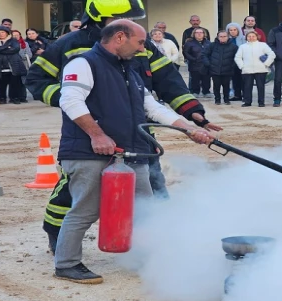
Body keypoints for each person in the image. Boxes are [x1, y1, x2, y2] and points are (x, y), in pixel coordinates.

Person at [25, 0, 222, 255]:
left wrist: (191, 114)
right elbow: (38, 80)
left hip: (137, 130)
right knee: (76, 194)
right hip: (90, 134)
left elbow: (164, 82)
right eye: (125, 18)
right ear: (106, 22)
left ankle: (156, 244)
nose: (139, 33)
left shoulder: (139, 44)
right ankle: (57, 236)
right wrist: (72, 101)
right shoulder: (70, 45)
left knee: (152, 184)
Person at [54, 19, 214, 284]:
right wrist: (97, 135)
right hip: (88, 152)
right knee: (85, 210)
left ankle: (146, 256)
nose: (143, 48)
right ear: (119, 37)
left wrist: (189, 129)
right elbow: (69, 100)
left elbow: (153, 108)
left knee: (144, 207)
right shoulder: (83, 64)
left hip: (131, 152)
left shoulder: (130, 69)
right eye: (140, 42)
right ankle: (67, 264)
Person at [234, 30, 275, 107]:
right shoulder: (243, 47)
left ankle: (261, 102)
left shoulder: (263, 45)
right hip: (247, 70)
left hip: (261, 69)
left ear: (257, 37)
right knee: (247, 87)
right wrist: (242, 66)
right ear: (246, 37)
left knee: (261, 86)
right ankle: (247, 101)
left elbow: (272, 54)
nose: (251, 38)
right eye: (249, 36)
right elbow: (237, 57)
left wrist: (266, 64)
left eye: (253, 36)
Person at [0, 25, 26, 105]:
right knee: (1, 84)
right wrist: (6, 47)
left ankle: (14, 98)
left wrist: (0, 49)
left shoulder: (13, 40)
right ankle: (2, 98)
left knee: (14, 83)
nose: (1, 34)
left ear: (7, 33)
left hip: (13, 65)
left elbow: (15, 49)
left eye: (2, 32)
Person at [204, 30, 238, 105]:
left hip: (227, 70)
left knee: (226, 85)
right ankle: (217, 99)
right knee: (216, 86)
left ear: (228, 37)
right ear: (218, 37)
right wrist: (209, 64)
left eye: (224, 36)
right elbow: (205, 55)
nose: (222, 38)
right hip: (214, 69)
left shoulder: (233, 46)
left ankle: (226, 99)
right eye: (221, 36)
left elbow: (237, 58)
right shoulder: (212, 45)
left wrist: (232, 66)